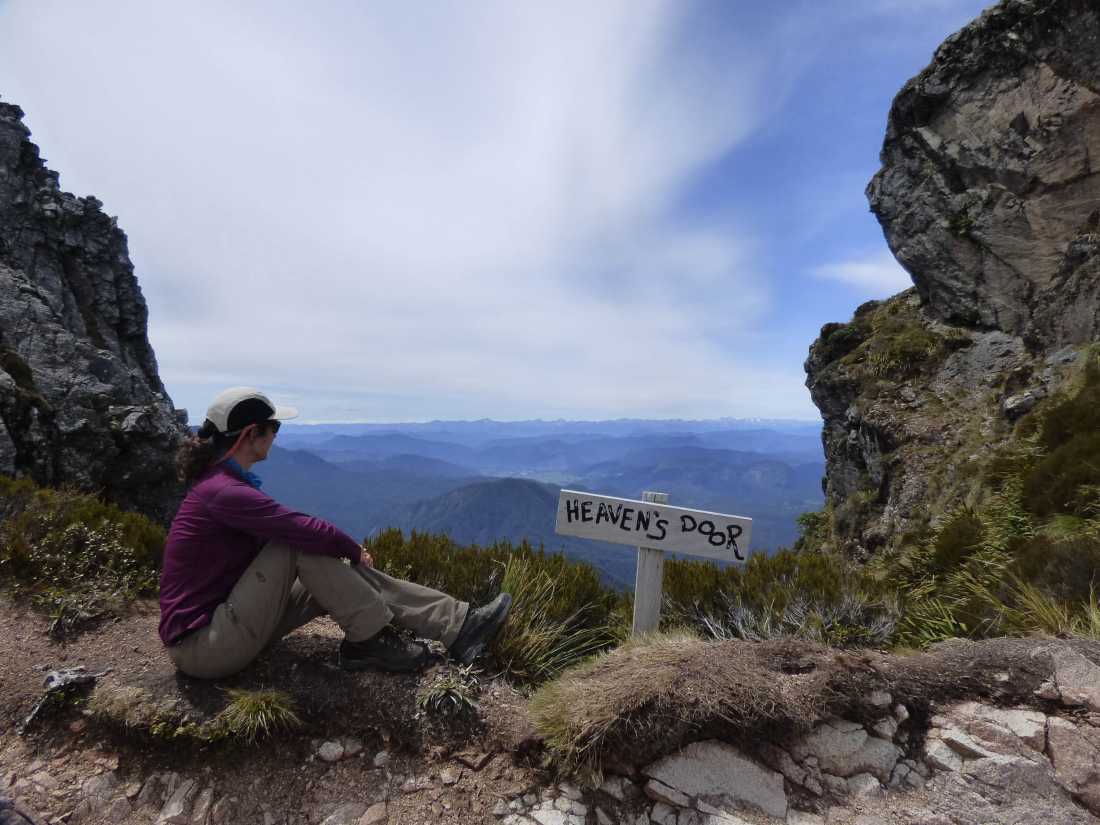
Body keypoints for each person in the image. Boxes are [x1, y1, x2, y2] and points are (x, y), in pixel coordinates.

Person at [158, 386, 511, 679]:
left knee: (331, 569)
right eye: (273, 426)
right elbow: (298, 529)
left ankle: (458, 626)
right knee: (297, 546)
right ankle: (371, 641)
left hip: (224, 626)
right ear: (251, 434)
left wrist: (344, 557)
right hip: (204, 647)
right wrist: (352, 547)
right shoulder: (223, 490)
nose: (277, 434)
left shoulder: (221, 484)